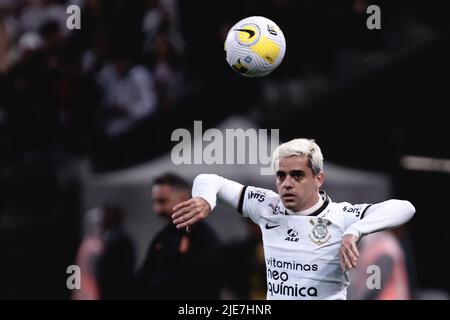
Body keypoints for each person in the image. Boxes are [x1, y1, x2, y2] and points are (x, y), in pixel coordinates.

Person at [172, 138, 416, 300]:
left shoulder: (341, 215)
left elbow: (405, 207)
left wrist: (356, 231)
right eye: (281, 176)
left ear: (318, 179)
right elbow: (208, 179)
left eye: (297, 175)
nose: (286, 183)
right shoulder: (266, 205)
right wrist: (206, 199)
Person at [135, 173, 223, 299]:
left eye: (162, 201)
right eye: (155, 202)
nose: (157, 209)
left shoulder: (204, 239)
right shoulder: (163, 237)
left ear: (183, 199)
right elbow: (143, 278)